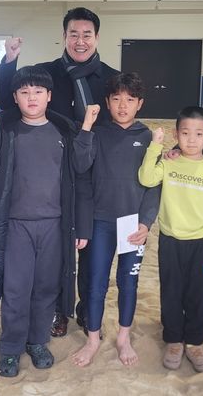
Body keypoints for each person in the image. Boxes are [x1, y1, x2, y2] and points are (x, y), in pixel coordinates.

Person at [0, 7, 119, 337]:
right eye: (73, 34)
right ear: (64, 36)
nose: (80, 41)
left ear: (97, 37)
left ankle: (87, 311)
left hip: (95, 174)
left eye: (87, 34)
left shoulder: (111, 78)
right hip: (56, 176)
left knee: (90, 247)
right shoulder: (45, 73)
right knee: (59, 250)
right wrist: (9, 61)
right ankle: (57, 311)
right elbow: (7, 101)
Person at [0, 66, 92, 378]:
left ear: (49, 96)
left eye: (38, 92)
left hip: (54, 225)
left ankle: (37, 341)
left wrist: (80, 226)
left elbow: (80, 177)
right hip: (15, 225)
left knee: (46, 288)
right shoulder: (5, 130)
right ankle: (11, 347)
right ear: (15, 97)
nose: (32, 98)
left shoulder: (64, 132)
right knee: (16, 289)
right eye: (24, 92)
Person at [70, 73, 160, 367]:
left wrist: (146, 223)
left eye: (130, 100)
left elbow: (154, 185)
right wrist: (86, 127)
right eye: (117, 99)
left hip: (132, 225)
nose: (123, 105)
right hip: (101, 222)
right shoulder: (97, 133)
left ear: (140, 104)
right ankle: (93, 339)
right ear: (107, 102)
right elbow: (79, 165)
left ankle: (123, 337)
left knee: (128, 282)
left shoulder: (147, 138)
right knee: (96, 283)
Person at [138, 106, 203, 374]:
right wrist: (155, 147)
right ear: (176, 134)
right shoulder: (169, 162)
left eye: (198, 134)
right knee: (172, 290)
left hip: (201, 244)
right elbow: (146, 178)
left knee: (199, 292)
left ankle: (196, 342)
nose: (191, 139)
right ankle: (174, 340)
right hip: (170, 242)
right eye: (185, 133)